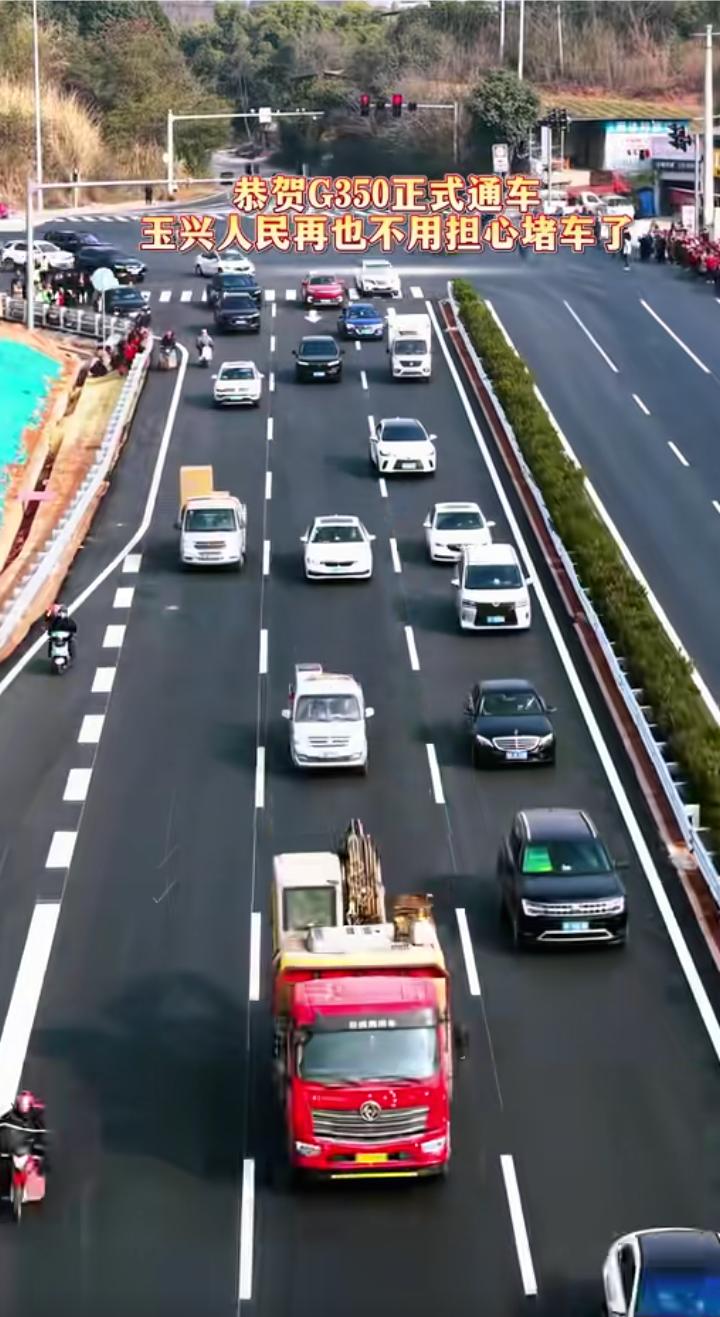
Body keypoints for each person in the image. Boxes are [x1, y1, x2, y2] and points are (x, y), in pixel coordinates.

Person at [0, 1092, 47, 1170]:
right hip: (12, 1154)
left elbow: (42, 1134)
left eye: (26, 1104)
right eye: (22, 1104)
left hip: (27, 1154)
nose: (24, 1106)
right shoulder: (9, 1118)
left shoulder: (35, 1118)